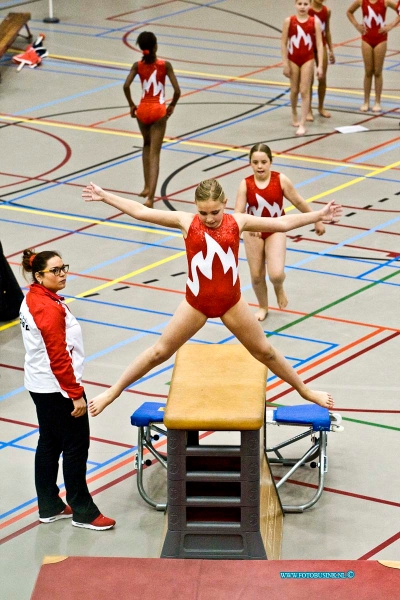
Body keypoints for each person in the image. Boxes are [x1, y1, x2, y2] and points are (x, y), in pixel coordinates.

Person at [82, 179, 342, 415]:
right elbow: (142, 212)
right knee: (159, 352)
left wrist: (319, 214)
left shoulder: (238, 221)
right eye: (203, 212)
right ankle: (112, 392)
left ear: (225, 204)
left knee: (266, 352)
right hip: (196, 304)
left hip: (231, 303)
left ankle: (305, 390)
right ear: (195, 208)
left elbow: (282, 223)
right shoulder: (186, 222)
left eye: (215, 212)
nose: (209, 219)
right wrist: (105, 195)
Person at [19, 250, 115, 531]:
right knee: (75, 447)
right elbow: (58, 356)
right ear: (39, 275)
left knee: (49, 442)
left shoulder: (36, 297)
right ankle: (83, 510)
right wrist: (75, 393)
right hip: (57, 389)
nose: (62, 274)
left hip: (40, 384)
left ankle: (49, 505)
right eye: (55, 271)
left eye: (64, 268)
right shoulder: (47, 307)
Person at [235, 143, 326, 322]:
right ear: (250, 163)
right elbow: (238, 212)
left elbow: (298, 201)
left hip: (276, 228)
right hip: (253, 230)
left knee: (276, 273)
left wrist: (317, 219)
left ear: (271, 162)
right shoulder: (246, 184)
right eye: (255, 162)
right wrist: (244, 228)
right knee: (256, 275)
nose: (259, 166)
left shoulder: (281, 180)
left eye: (263, 162)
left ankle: (278, 286)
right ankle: (263, 306)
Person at [123, 31, 181, 208]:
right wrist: (172, 106)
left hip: (142, 110)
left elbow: (125, 86)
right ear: (156, 46)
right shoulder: (165, 65)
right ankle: (151, 199)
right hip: (157, 110)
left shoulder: (137, 66)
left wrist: (132, 105)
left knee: (146, 145)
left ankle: (146, 185)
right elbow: (177, 91)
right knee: (155, 154)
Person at [347, 0, 400, 112]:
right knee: (368, 71)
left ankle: (377, 101)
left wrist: (390, 25)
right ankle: (366, 101)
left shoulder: (385, 1)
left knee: (377, 71)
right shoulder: (362, 1)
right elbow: (349, 12)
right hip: (366, 38)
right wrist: (357, 25)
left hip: (381, 38)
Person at [281, 0, 324, 135]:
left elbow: (319, 44)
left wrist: (320, 66)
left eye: (305, 4)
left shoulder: (314, 22)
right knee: (294, 90)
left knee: (305, 91)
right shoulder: (289, 21)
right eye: (299, 4)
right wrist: (285, 63)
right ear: (295, 5)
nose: (302, 7)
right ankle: (294, 112)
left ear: (309, 6)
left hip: (308, 59)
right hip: (293, 58)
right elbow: (283, 43)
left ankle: (303, 123)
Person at [308, 0, 335, 119]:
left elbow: (327, 31)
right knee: (308, 79)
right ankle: (308, 109)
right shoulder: (307, 9)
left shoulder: (326, 11)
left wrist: (331, 50)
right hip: (308, 45)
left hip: (321, 45)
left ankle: (320, 106)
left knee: (322, 77)